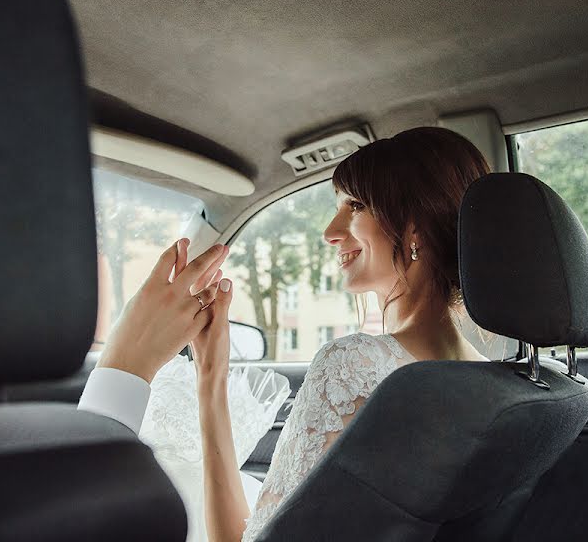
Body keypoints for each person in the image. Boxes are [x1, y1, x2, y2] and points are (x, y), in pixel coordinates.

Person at [78, 126, 492, 542]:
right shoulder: (506, 385)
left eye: (356, 206)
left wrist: (203, 376)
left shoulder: (352, 366)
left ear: (415, 227)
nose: (330, 230)